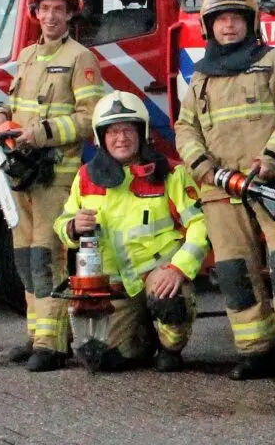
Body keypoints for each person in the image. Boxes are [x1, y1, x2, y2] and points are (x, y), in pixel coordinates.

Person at [173, 0, 275, 385]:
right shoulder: (200, 77)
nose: (229, 25)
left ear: (251, 22)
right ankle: (255, 352)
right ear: (209, 27)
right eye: (221, 19)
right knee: (235, 272)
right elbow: (185, 128)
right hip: (220, 190)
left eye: (236, 17)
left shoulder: (274, 62)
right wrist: (202, 166)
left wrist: (271, 158)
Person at [0, 0, 106, 372]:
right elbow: (14, 103)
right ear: (34, 13)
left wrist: (40, 134)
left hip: (55, 175)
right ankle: (36, 333)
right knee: (23, 258)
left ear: (71, 14)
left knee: (46, 257)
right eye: (45, 9)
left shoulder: (80, 59)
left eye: (59, 9)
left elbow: (90, 119)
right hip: (20, 173)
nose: (51, 16)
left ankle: (52, 345)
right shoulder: (27, 56)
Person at [54, 92, 209, 373]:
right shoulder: (86, 177)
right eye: (113, 131)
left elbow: (200, 224)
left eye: (128, 129)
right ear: (101, 137)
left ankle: (170, 348)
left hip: (158, 274)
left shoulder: (170, 174)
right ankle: (143, 337)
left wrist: (178, 269)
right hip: (114, 283)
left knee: (171, 304)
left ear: (142, 133)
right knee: (103, 360)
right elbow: (62, 223)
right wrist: (72, 227)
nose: (121, 138)